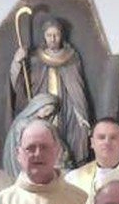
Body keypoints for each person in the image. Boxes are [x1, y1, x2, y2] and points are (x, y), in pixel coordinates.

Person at [7, 16, 93, 167]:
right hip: (43, 108)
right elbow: (20, 83)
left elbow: (77, 88)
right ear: (44, 36)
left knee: (68, 139)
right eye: (49, 35)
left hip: (65, 110)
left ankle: (65, 166)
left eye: (56, 35)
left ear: (62, 36)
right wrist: (17, 62)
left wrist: (81, 114)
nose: (53, 39)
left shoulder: (71, 57)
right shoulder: (35, 58)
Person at [64, 117, 119, 196]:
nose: (107, 142)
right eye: (101, 137)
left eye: (113, 138)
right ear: (92, 142)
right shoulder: (73, 179)